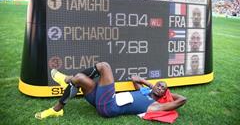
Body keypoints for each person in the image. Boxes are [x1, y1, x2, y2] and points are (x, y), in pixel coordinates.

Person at [35, 62, 187, 119]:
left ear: (164, 94)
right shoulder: (144, 92)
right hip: (103, 100)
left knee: (104, 67)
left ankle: (67, 80)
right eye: (159, 85)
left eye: (163, 88)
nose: (160, 87)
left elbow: (182, 99)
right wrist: (149, 85)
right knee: (80, 78)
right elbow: (135, 80)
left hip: (108, 107)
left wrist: (163, 92)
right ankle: (57, 109)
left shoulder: (155, 105)